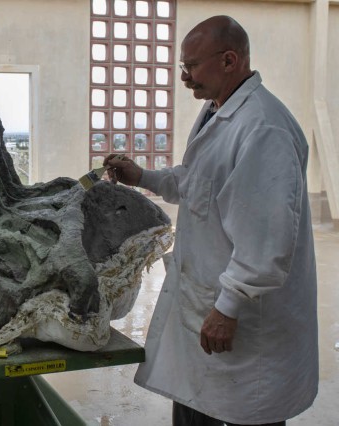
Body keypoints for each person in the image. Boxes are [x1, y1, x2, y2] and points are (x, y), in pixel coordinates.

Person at [104, 15, 317, 426]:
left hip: (241, 322)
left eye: (191, 66)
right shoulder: (217, 112)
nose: (185, 78)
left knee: (244, 412)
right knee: (195, 405)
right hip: (206, 308)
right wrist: (143, 177)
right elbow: (198, 181)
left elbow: (268, 241)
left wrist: (229, 305)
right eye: (182, 67)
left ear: (229, 60)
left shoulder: (262, 128)